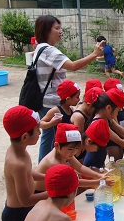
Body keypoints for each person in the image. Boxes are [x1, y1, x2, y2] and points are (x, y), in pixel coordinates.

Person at [33, 14, 105, 163]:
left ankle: (48, 169)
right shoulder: (48, 50)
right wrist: (95, 54)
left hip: (47, 99)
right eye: (56, 28)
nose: (60, 31)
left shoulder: (42, 49)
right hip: (50, 101)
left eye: (60, 28)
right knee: (51, 139)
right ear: (46, 30)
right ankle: (45, 171)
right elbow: (73, 66)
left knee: (52, 138)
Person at [83, 88, 124, 169]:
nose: (117, 114)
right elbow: (119, 141)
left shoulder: (106, 118)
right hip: (92, 161)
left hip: (99, 159)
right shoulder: (99, 123)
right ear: (108, 108)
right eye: (117, 110)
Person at [35, 123, 109, 191]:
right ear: (57, 145)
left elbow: (79, 167)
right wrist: (98, 182)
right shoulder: (53, 162)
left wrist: (99, 175)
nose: (73, 152)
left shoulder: (65, 153)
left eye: (76, 148)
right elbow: (73, 182)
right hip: (41, 194)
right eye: (70, 149)